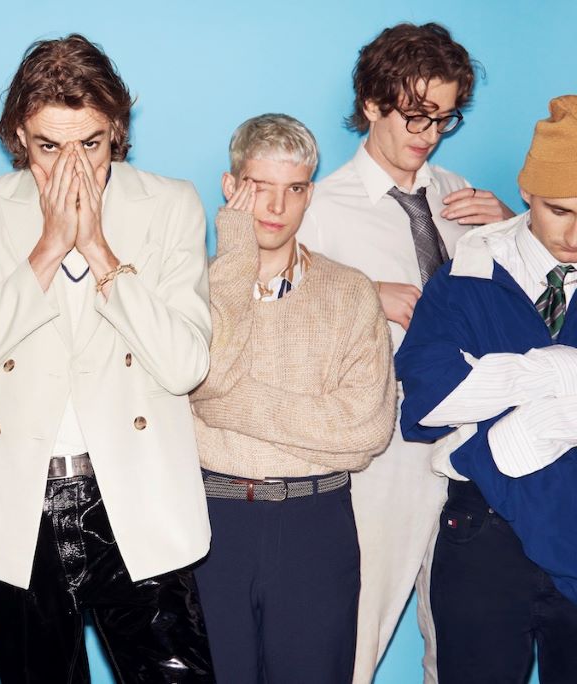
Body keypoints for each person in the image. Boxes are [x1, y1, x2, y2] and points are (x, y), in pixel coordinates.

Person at [0, 34, 215, 682]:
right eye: (49, 147)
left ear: (116, 130)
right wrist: (48, 249)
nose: (72, 167)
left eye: (90, 143)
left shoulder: (170, 204)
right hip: (15, 501)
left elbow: (185, 366)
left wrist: (102, 253)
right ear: (20, 138)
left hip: (136, 492)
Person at [296, 22, 515, 682]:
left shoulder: (460, 194)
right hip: (383, 454)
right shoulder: (319, 208)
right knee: (356, 637)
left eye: (443, 118)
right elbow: (276, 314)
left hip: (473, 450)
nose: (429, 134)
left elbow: (520, 315)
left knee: (462, 647)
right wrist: (365, 292)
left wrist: (513, 231)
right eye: (416, 114)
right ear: (372, 103)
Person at [191, 113, 396, 683]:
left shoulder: (351, 291)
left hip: (316, 522)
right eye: (259, 186)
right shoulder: (188, 288)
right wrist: (234, 258)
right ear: (231, 187)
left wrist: (222, 402)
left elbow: (365, 430)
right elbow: (205, 375)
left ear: (310, 192)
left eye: (296, 189)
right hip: (211, 521)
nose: (277, 207)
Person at [396, 94, 577, 683]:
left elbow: (465, 396)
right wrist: (557, 370)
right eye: (559, 210)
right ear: (526, 192)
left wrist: (502, 426)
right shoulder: (465, 277)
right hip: (483, 534)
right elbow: (432, 399)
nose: (575, 235)